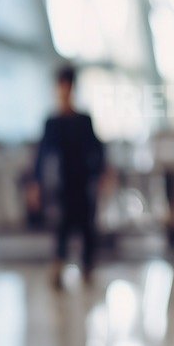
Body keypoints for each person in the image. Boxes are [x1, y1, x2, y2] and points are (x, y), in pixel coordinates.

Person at [30, 65, 106, 289]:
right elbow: (41, 155)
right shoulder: (52, 122)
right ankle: (58, 266)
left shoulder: (83, 120)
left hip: (82, 182)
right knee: (62, 226)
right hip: (62, 185)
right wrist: (36, 184)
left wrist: (102, 173)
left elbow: (97, 149)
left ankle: (87, 268)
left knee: (86, 226)